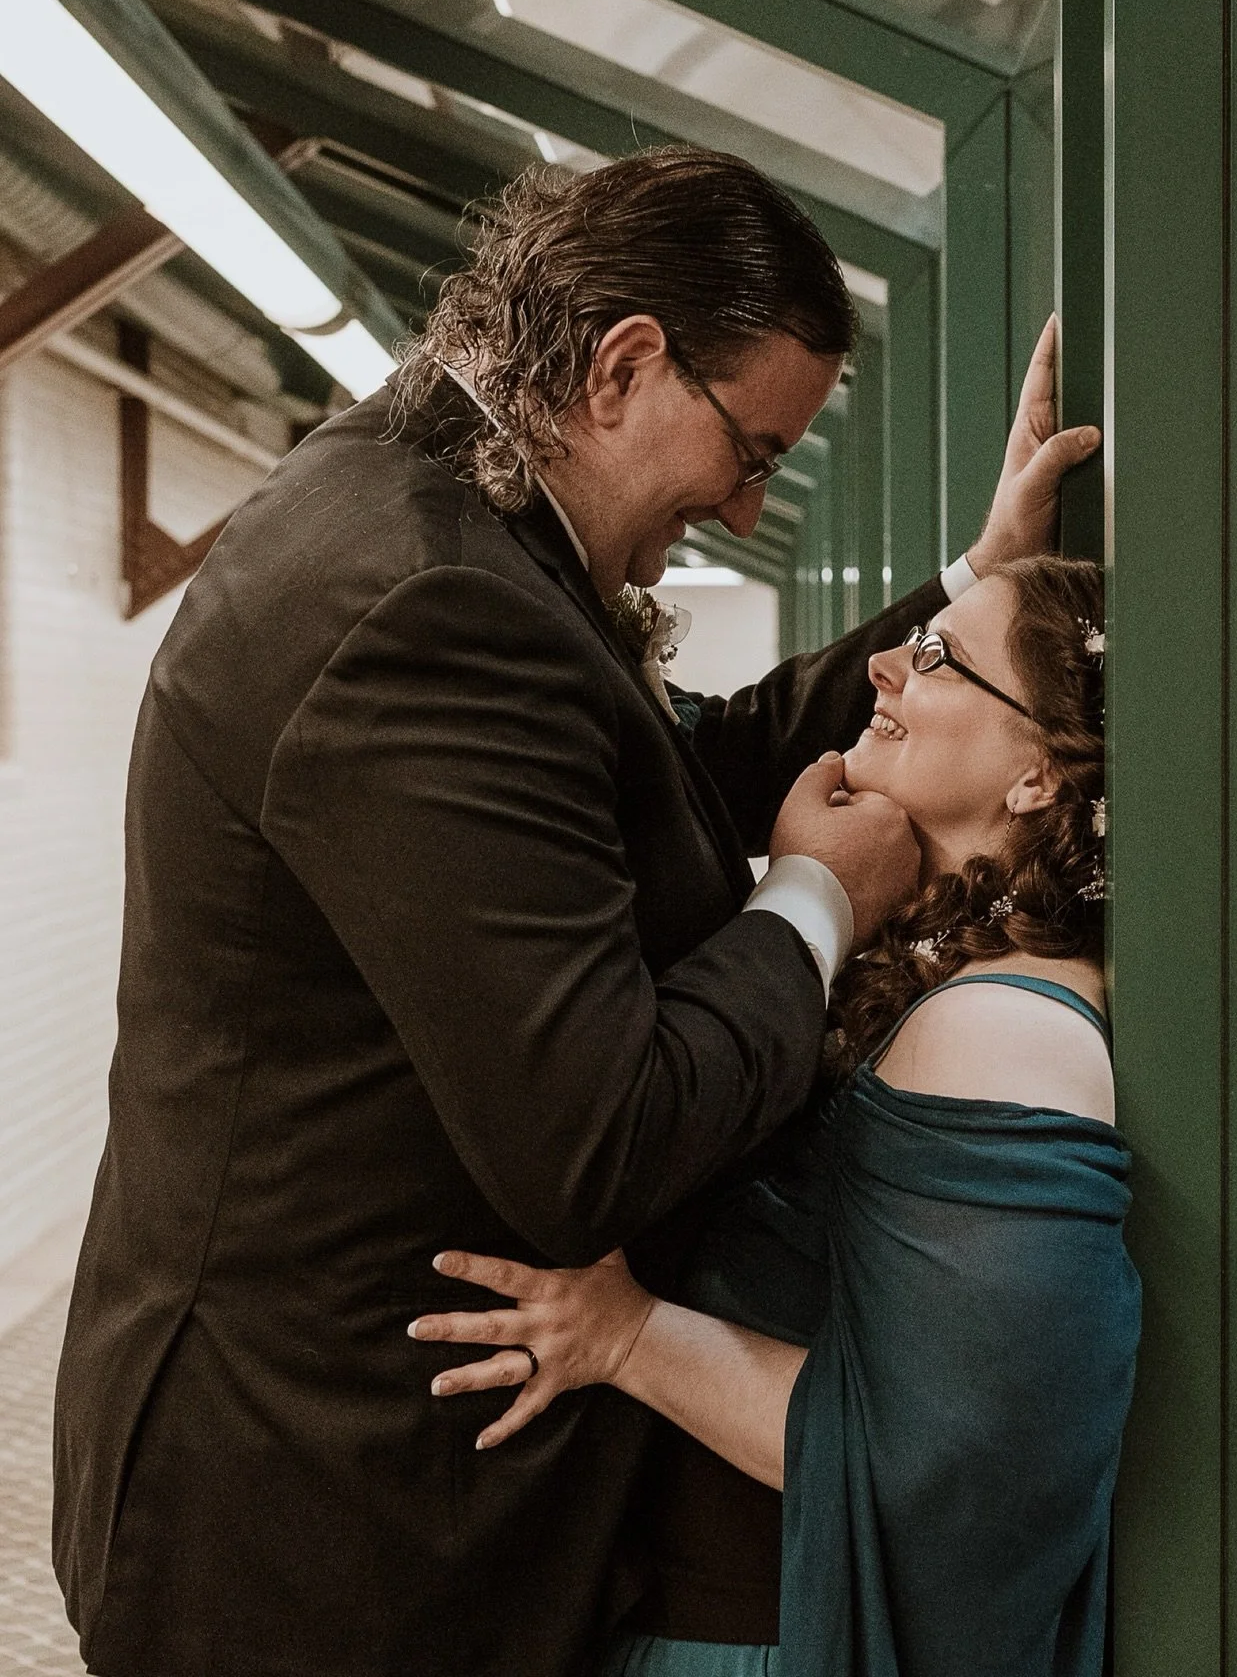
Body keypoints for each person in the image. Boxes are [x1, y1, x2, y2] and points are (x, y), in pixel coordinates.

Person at [52, 146, 1098, 1677]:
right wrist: (814, 893)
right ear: (625, 365)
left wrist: (971, 589)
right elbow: (594, 1137)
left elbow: (666, 771)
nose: (748, 513)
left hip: (334, 1476)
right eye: (750, 454)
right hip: (322, 1523)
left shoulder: (436, 511)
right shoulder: (429, 599)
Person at [413, 556, 1140, 1677]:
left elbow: (944, 1459)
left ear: (1039, 774)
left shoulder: (1003, 1033)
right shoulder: (944, 966)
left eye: (940, 658)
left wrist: (625, 1335)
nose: (889, 664)